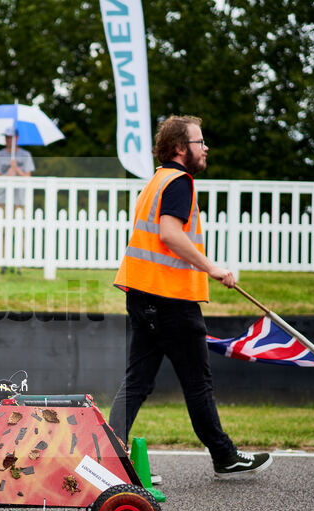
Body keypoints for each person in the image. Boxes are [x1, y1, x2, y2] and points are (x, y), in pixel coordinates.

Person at [110, 115, 272, 480]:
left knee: (137, 381)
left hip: (143, 296)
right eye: (200, 142)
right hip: (171, 301)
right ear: (181, 148)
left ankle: (109, 455)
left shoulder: (156, 180)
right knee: (197, 384)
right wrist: (210, 267)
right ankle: (225, 455)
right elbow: (169, 234)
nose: (206, 148)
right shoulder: (180, 182)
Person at [0, 126, 35, 274]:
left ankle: (18, 263)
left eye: (10, 137)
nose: (8, 140)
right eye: (6, 137)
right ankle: (3, 262)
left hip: (19, 200)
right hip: (2, 199)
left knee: (19, 232)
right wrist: (8, 172)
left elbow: (28, 177)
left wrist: (17, 170)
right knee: (2, 232)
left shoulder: (25, 155)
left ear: (17, 138)